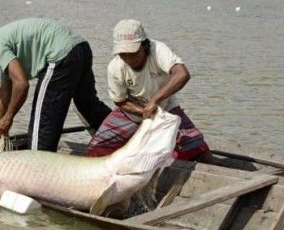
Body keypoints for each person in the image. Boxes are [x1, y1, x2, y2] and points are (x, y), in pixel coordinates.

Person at [0, 18, 111, 151]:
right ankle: (124, 134)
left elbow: (21, 85)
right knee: (88, 105)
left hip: (60, 55)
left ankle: (38, 174)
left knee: (41, 130)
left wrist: (8, 118)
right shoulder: (0, 43)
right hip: (80, 47)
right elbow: (5, 90)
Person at [87, 19, 217, 165]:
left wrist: (154, 101)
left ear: (145, 46)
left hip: (166, 109)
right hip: (131, 113)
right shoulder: (115, 67)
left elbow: (182, 74)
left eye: (133, 52)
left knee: (197, 148)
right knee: (97, 146)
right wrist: (144, 111)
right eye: (123, 53)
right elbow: (120, 101)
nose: (128, 58)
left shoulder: (158, 50)